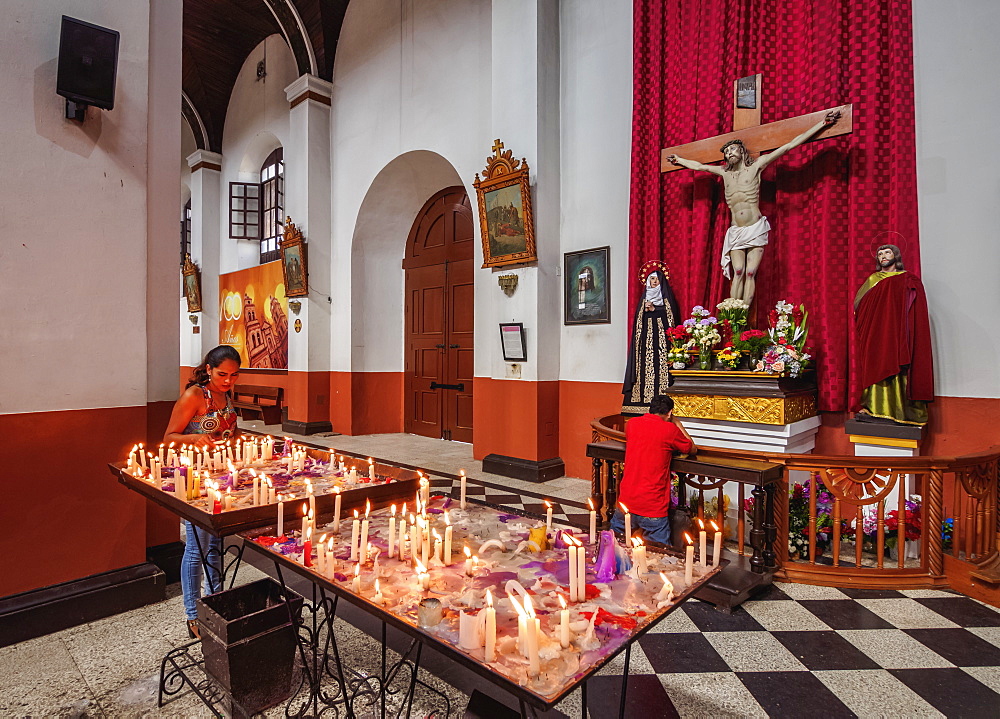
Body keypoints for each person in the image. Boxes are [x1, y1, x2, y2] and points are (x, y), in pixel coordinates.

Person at [666, 109, 843, 306]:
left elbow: (789, 146)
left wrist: (822, 124)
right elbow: (700, 167)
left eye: (732, 149)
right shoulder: (724, 172)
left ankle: (744, 314)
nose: (729, 153)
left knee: (750, 272)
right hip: (736, 230)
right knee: (738, 271)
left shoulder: (756, 166)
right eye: (726, 151)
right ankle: (733, 317)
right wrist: (679, 160)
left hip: (756, 227)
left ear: (741, 151)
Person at [163, 345, 242, 638]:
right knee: (196, 546)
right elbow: (168, 437)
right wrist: (195, 438)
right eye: (222, 374)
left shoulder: (225, 395)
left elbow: (229, 430)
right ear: (208, 369)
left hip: (221, 476)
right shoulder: (194, 396)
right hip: (195, 478)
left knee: (216, 544)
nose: (228, 381)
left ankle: (215, 602)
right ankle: (194, 614)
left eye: (234, 376)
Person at [854, 244, 933, 425]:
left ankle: (902, 411)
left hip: (898, 332)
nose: (883, 256)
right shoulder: (873, 279)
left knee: (899, 365)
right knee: (877, 364)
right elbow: (859, 306)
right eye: (880, 253)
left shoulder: (908, 279)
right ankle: (874, 408)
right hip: (876, 333)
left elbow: (915, 306)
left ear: (896, 255)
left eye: (887, 252)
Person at [611, 395, 697, 546]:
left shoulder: (632, 424)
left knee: (613, 547)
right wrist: (677, 423)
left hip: (627, 500)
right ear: (669, 413)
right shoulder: (670, 429)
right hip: (653, 504)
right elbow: (692, 448)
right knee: (658, 557)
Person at [622, 269, 682, 415]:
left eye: (657, 279)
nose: (654, 282)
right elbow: (637, 324)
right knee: (643, 370)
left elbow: (671, 321)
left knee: (662, 370)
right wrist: (645, 310)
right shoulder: (643, 299)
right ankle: (640, 403)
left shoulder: (666, 299)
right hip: (645, 344)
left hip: (661, 344)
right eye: (652, 279)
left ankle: (663, 405)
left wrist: (655, 309)